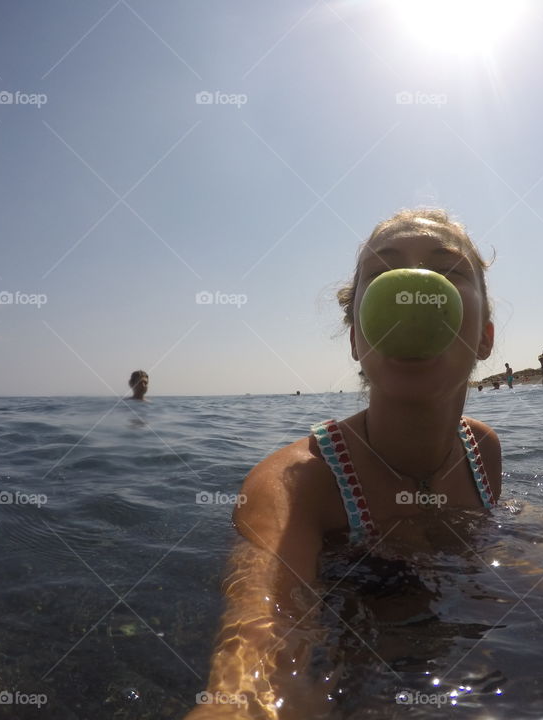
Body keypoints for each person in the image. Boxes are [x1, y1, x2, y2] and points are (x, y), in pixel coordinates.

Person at [188, 209, 502, 719]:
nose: (413, 289)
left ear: (485, 337)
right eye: (383, 275)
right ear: (356, 338)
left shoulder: (482, 451)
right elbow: (254, 667)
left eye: (447, 271)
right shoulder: (293, 485)